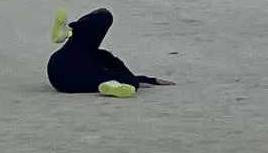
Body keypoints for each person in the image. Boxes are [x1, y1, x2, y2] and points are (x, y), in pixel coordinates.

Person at [47, 8, 175, 98]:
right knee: (130, 82)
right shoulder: (102, 61)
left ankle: (70, 31)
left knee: (104, 15)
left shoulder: (94, 55)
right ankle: (110, 86)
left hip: (57, 67)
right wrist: (149, 80)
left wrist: (149, 80)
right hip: (69, 83)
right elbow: (125, 72)